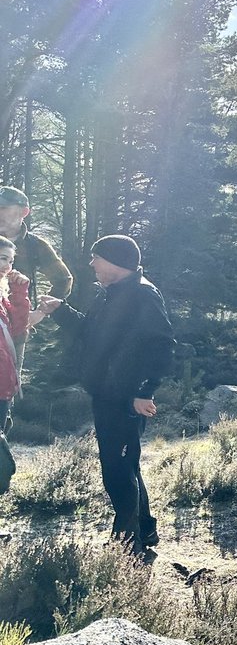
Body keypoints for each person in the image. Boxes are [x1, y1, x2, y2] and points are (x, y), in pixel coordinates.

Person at [38, 235, 174, 557]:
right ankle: (145, 529)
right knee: (126, 465)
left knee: (118, 470)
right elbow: (90, 332)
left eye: (96, 257)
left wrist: (144, 391)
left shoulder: (143, 295)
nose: (92, 264)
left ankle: (127, 547)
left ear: (115, 262)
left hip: (127, 398)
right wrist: (60, 310)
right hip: (107, 393)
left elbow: (162, 345)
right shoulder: (111, 293)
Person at [0, 185, 73, 377]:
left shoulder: (35, 246)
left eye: (4, 208)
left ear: (24, 212)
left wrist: (39, 313)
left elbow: (63, 279)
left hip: (13, 330)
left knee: (6, 387)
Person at [0, 237, 47, 491]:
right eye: (2, 258)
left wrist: (19, 292)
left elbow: (18, 329)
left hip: (3, 387)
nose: (7, 266)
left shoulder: (3, 294)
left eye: (10, 260)